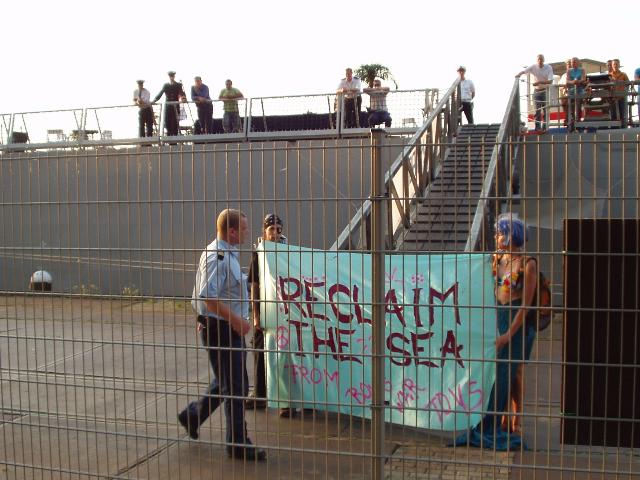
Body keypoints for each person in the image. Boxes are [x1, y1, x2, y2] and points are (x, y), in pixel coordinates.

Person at [178, 209, 266, 461]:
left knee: (227, 382)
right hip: (224, 330)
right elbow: (207, 296)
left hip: (221, 327)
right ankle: (238, 443)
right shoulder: (217, 256)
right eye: (244, 228)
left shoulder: (228, 252)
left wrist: (204, 317)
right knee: (236, 387)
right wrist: (235, 320)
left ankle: (192, 416)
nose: (247, 232)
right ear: (232, 231)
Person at [455, 213, 537, 450]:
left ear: (512, 234)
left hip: (516, 324)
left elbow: (525, 305)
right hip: (497, 319)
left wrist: (509, 334)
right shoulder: (497, 259)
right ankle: (496, 418)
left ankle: (514, 417)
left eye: (500, 232)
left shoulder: (527, 264)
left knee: (511, 372)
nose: (496, 236)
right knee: (497, 372)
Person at [245, 214, 293, 417]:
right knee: (260, 350)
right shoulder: (259, 253)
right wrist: (256, 314)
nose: (275, 233)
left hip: (284, 311)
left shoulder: (288, 252)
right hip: (265, 309)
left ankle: (287, 401)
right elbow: (254, 285)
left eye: (278, 229)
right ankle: (261, 394)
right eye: (271, 229)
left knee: (285, 355)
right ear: (264, 232)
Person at [516, 55, 554, 132]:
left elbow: (550, 81)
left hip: (545, 91)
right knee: (537, 110)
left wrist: (539, 82)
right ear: (537, 60)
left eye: (541, 59)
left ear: (544, 60)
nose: (540, 61)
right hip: (537, 91)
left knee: (546, 110)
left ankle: (545, 127)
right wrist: (519, 74)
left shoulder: (549, 67)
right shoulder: (533, 66)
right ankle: (538, 127)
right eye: (538, 59)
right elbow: (525, 71)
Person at [153, 71, 186, 136]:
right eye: (170, 76)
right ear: (169, 77)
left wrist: (183, 98)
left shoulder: (178, 85)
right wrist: (154, 100)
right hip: (168, 107)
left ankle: (174, 139)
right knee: (167, 123)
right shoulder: (166, 85)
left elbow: (181, 92)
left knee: (175, 123)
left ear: (174, 77)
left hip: (175, 106)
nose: (171, 77)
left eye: (172, 76)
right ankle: (169, 138)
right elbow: (160, 93)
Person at [565, 57, 586, 132]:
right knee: (571, 108)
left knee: (578, 107)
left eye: (574, 62)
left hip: (580, 91)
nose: (573, 63)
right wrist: (573, 82)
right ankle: (572, 124)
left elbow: (584, 79)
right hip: (571, 91)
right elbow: (567, 81)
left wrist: (578, 81)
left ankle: (578, 123)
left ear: (578, 62)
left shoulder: (582, 70)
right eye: (572, 62)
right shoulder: (569, 70)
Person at [609, 59, 629, 127]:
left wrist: (624, 92)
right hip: (612, 97)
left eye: (617, 64)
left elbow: (628, 84)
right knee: (613, 114)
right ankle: (614, 128)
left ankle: (624, 128)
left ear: (619, 65)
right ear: (612, 65)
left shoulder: (623, 75)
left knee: (623, 113)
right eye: (614, 64)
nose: (615, 65)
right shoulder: (609, 75)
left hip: (621, 97)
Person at [558, 59, 572, 127]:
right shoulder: (564, 75)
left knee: (570, 105)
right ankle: (567, 120)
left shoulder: (574, 73)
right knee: (564, 104)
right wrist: (563, 88)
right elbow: (559, 85)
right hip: (564, 93)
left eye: (570, 63)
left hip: (573, 93)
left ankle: (569, 120)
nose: (568, 65)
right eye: (567, 64)